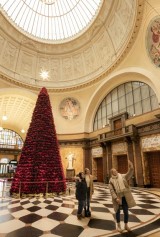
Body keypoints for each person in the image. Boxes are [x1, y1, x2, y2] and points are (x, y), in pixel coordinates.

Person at [109, 160, 136, 233]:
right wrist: (116, 198)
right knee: (117, 212)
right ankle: (118, 226)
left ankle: (126, 225)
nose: (115, 172)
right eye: (114, 171)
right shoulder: (111, 180)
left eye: (116, 171)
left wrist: (131, 168)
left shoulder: (122, 176)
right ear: (112, 173)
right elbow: (112, 191)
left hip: (125, 197)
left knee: (126, 212)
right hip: (118, 198)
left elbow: (128, 174)